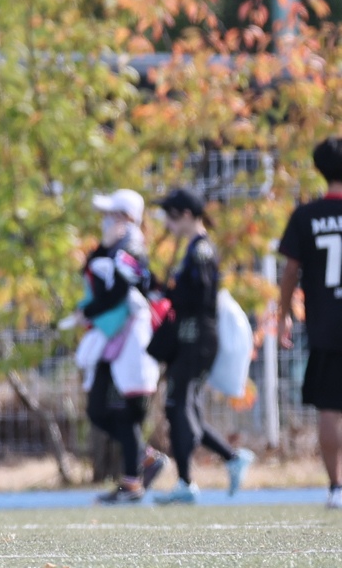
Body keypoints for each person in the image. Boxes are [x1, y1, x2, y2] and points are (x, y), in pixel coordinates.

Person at [68, 187, 166, 505]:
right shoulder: (111, 248)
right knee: (98, 409)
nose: (106, 221)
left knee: (124, 411)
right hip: (112, 340)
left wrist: (87, 312)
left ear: (127, 217)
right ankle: (144, 458)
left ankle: (132, 482)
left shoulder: (132, 248)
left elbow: (119, 292)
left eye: (111, 215)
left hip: (129, 339)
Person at [153, 188, 250, 503]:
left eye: (170, 216)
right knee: (183, 407)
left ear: (185, 214)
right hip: (190, 336)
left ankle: (186, 482)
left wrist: (168, 293)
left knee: (178, 406)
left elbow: (200, 294)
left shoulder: (202, 250)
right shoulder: (194, 249)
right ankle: (229, 459)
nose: (167, 223)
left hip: (197, 337)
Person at [274, 136, 342, 510]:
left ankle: (336, 488)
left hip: (327, 326)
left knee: (330, 408)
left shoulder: (306, 216)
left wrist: (284, 314)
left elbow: (290, 272)